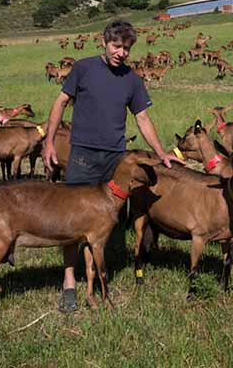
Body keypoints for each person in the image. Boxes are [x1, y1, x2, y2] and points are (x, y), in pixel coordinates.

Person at [42, 19, 181, 313]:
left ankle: (102, 273)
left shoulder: (132, 79)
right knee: (72, 219)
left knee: (110, 218)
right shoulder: (83, 68)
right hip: (83, 154)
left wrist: (161, 153)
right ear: (104, 42)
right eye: (117, 46)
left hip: (115, 158)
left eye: (127, 48)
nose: (121, 53)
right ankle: (69, 281)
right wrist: (49, 142)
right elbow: (60, 102)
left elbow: (142, 118)